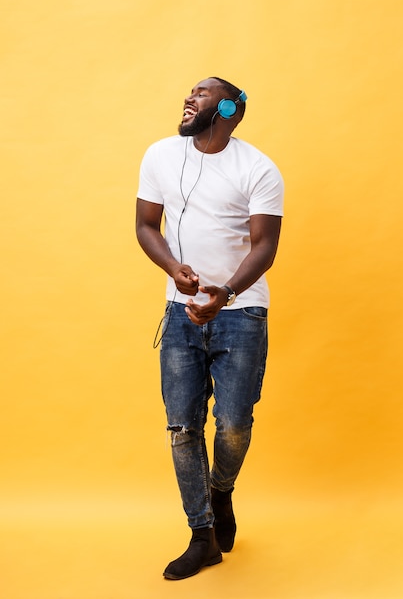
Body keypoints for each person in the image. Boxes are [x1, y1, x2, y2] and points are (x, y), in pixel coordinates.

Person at [135, 76, 284, 580]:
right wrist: (174, 269)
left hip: (241, 315)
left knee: (235, 425)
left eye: (200, 94)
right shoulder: (158, 155)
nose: (187, 98)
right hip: (180, 314)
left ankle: (221, 492)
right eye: (188, 92)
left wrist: (227, 294)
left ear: (227, 109)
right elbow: (145, 226)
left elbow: (264, 245)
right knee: (182, 428)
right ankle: (202, 535)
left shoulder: (259, 168)